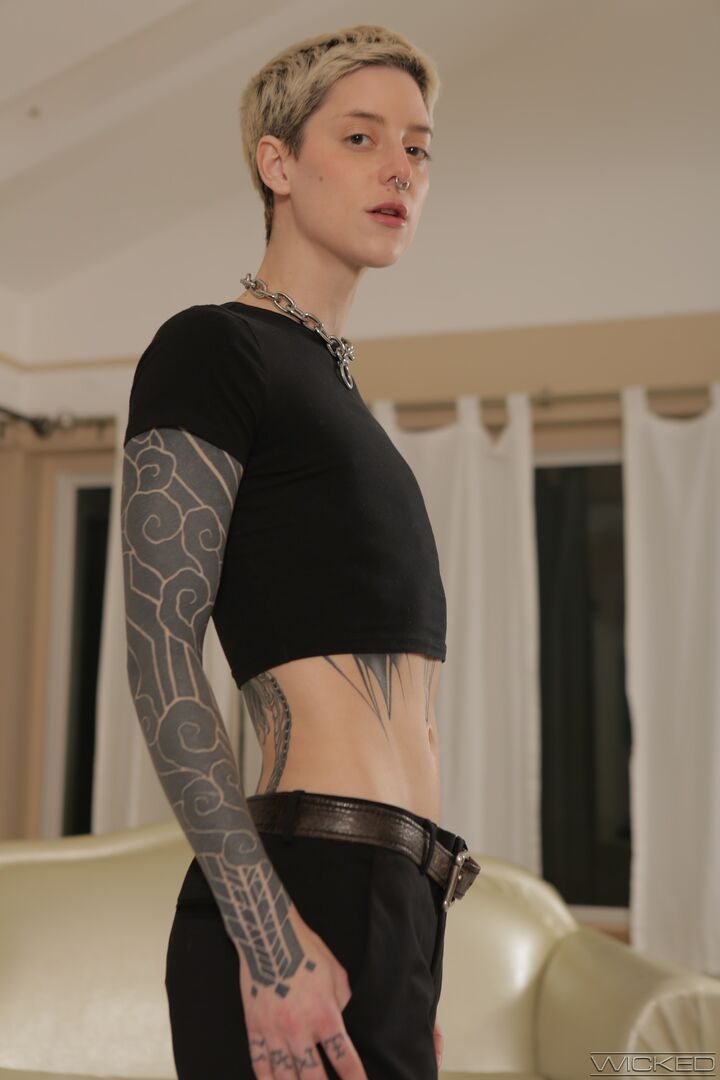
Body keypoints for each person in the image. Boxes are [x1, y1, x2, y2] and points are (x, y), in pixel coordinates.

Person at [121, 23, 481, 1080]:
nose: (399, 168)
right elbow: (158, 658)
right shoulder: (213, 347)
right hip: (298, 895)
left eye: (417, 147)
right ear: (278, 163)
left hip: (390, 905)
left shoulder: (335, 393)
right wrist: (273, 946)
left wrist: (409, 964)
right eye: (361, 137)